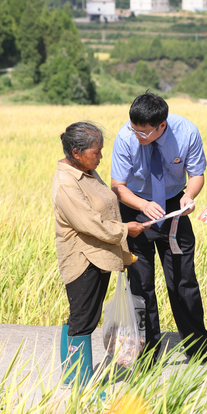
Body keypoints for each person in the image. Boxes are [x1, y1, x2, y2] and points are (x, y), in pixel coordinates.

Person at [110, 93, 207, 364]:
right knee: (141, 285)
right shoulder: (125, 137)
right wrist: (143, 205)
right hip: (135, 207)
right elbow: (117, 185)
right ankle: (146, 355)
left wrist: (189, 196)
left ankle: (199, 351)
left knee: (183, 281)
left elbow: (196, 175)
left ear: (162, 125)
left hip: (174, 207)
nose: (137, 135)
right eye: (134, 128)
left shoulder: (186, 132)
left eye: (144, 132)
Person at [52, 121, 147, 387]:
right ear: (76, 153)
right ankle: (75, 379)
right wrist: (126, 230)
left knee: (85, 316)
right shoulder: (66, 184)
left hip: (100, 256)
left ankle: (76, 376)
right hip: (83, 259)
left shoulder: (88, 172)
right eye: (96, 152)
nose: (101, 156)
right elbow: (90, 224)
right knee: (81, 319)